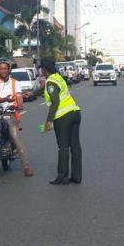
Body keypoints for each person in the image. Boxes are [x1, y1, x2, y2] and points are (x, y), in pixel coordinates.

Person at [40, 57, 82, 185]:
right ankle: (76, 176)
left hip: (63, 117)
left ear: (44, 69)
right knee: (75, 146)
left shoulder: (51, 82)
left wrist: (48, 121)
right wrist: (33, 92)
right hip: (75, 113)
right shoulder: (57, 77)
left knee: (63, 147)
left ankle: (62, 177)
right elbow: (53, 93)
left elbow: (55, 102)